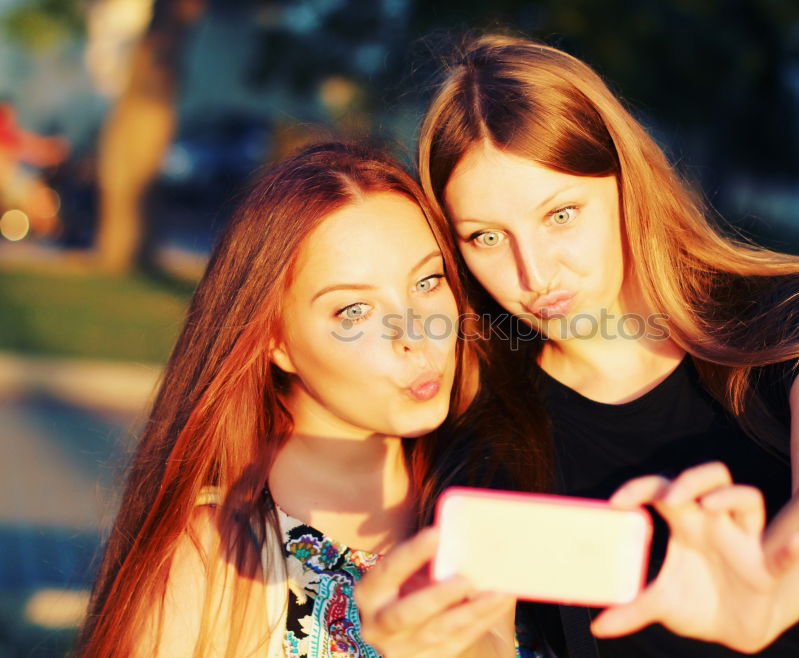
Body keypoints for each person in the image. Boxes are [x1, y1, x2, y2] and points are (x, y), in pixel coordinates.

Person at [416, 34, 799, 657]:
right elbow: (490, 632)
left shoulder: (793, 312)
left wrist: (771, 590)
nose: (535, 272)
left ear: (626, 183)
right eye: (486, 238)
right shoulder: (487, 421)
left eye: (561, 214)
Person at [76, 142, 520, 657]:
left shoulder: (490, 501)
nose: (417, 334)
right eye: (354, 311)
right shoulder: (217, 560)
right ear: (275, 341)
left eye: (427, 281)